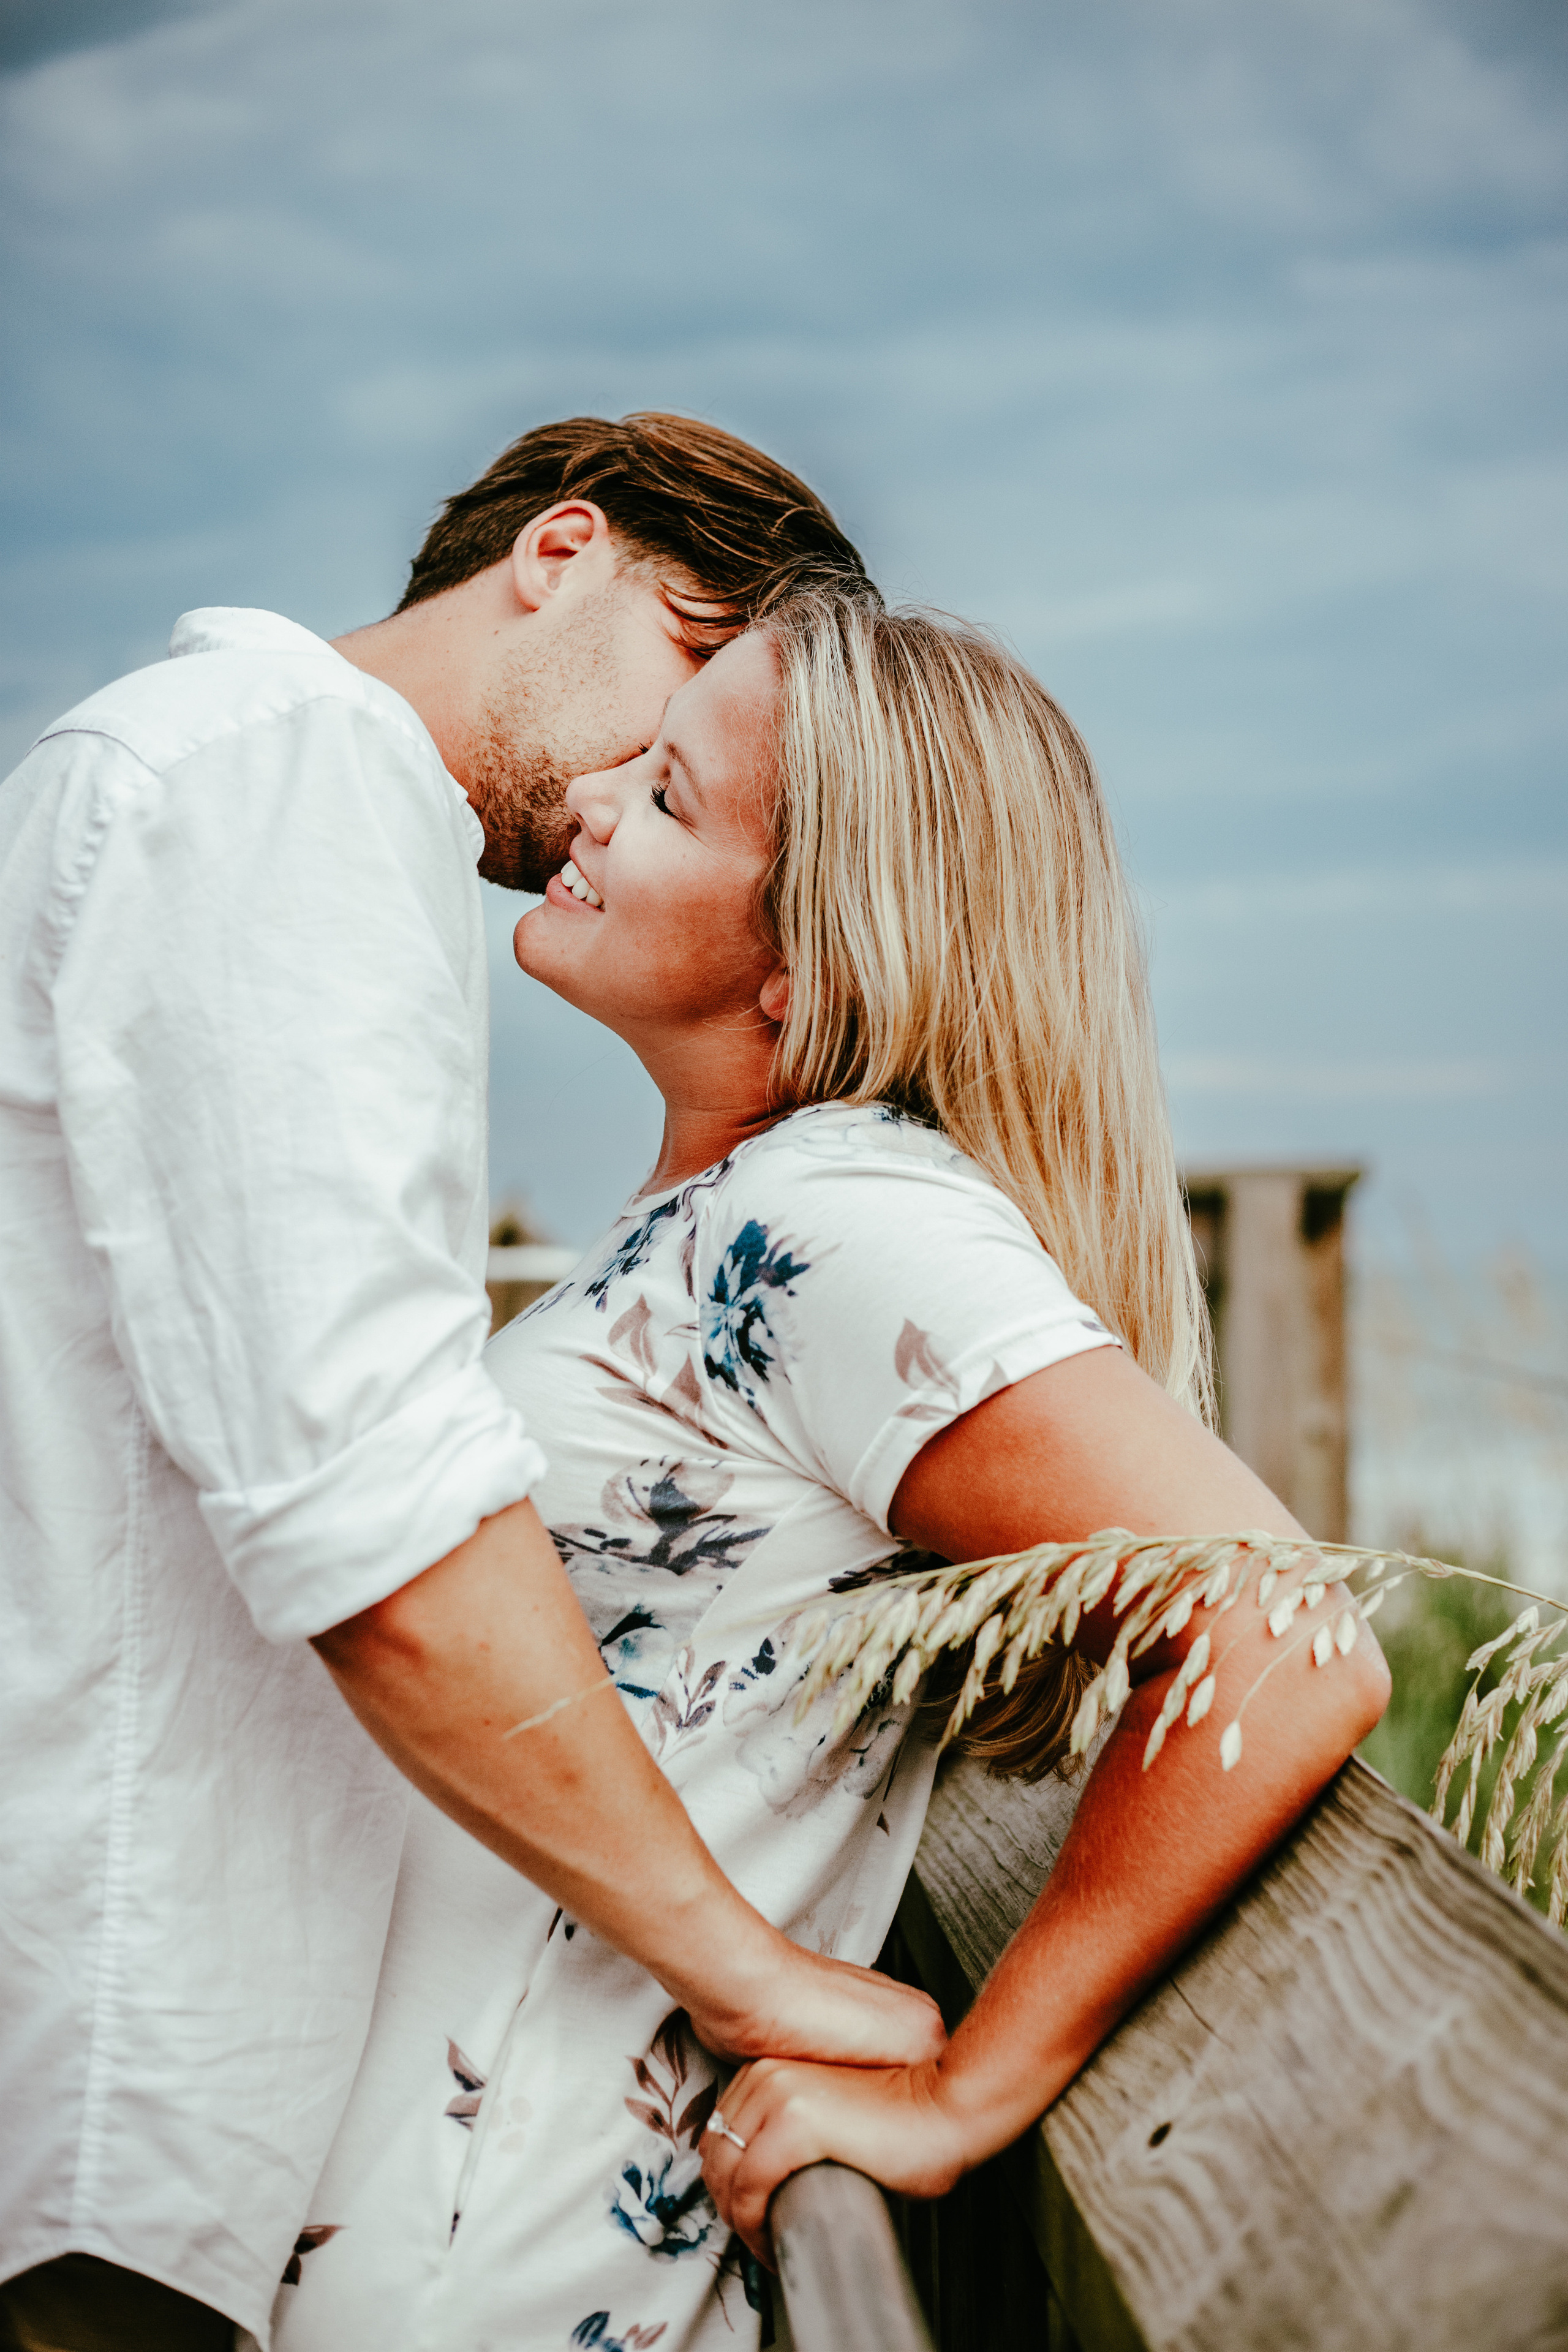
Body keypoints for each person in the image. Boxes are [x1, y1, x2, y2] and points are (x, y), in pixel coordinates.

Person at [268, 595, 1390, 2351]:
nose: (588, 802)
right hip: (415, 2204)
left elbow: (1283, 1637)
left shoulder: (837, 1221)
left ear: (810, 961)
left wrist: (969, 2092)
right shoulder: (721, 1216)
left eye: (669, 797)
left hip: (483, 2254)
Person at [0, 419, 945, 2352]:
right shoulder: (287, 778)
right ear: (563, 550)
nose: (639, 783)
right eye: (692, 673)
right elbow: (375, 1499)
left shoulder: (221, 781)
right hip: (121, 2064)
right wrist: (749, 1970)